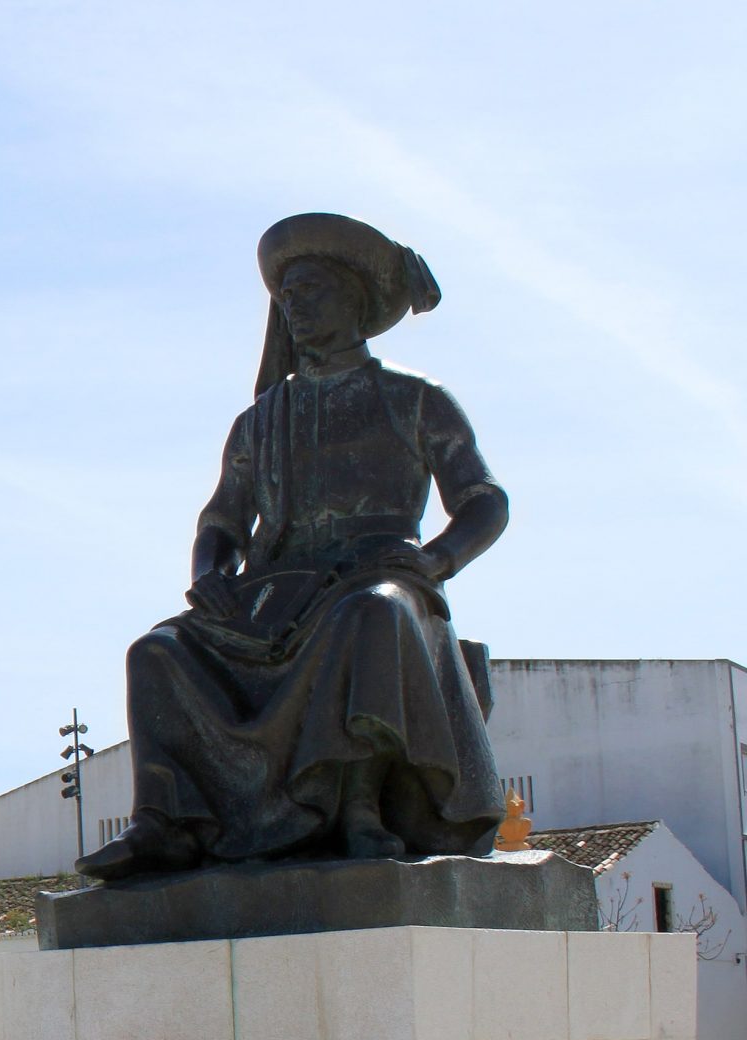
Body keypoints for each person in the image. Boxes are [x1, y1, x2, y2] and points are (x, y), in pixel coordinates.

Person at [77, 214, 510, 882]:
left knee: (372, 614)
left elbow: (484, 499)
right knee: (158, 651)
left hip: (378, 577)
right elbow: (221, 519)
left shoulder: (414, 398)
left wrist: (435, 560)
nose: (295, 306)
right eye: (287, 297)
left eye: (312, 290)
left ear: (357, 301)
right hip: (274, 593)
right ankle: (164, 820)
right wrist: (210, 570)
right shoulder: (259, 422)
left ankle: (359, 804)